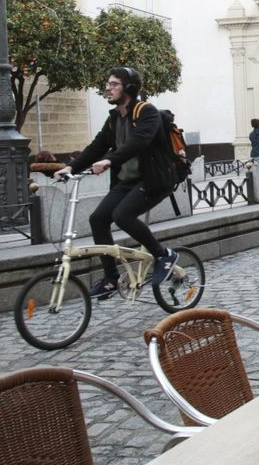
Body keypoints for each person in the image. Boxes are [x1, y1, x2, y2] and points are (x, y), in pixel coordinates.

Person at [56, 67, 179, 300]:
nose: (108, 89)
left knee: (122, 216)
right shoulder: (114, 119)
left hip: (152, 180)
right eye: (107, 85)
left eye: (114, 84)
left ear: (129, 88)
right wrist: (71, 167)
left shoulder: (147, 112)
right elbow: (97, 146)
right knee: (98, 219)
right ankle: (111, 279)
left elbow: (139, 142)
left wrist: (109, 161)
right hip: (126, 180)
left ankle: (163, 255)